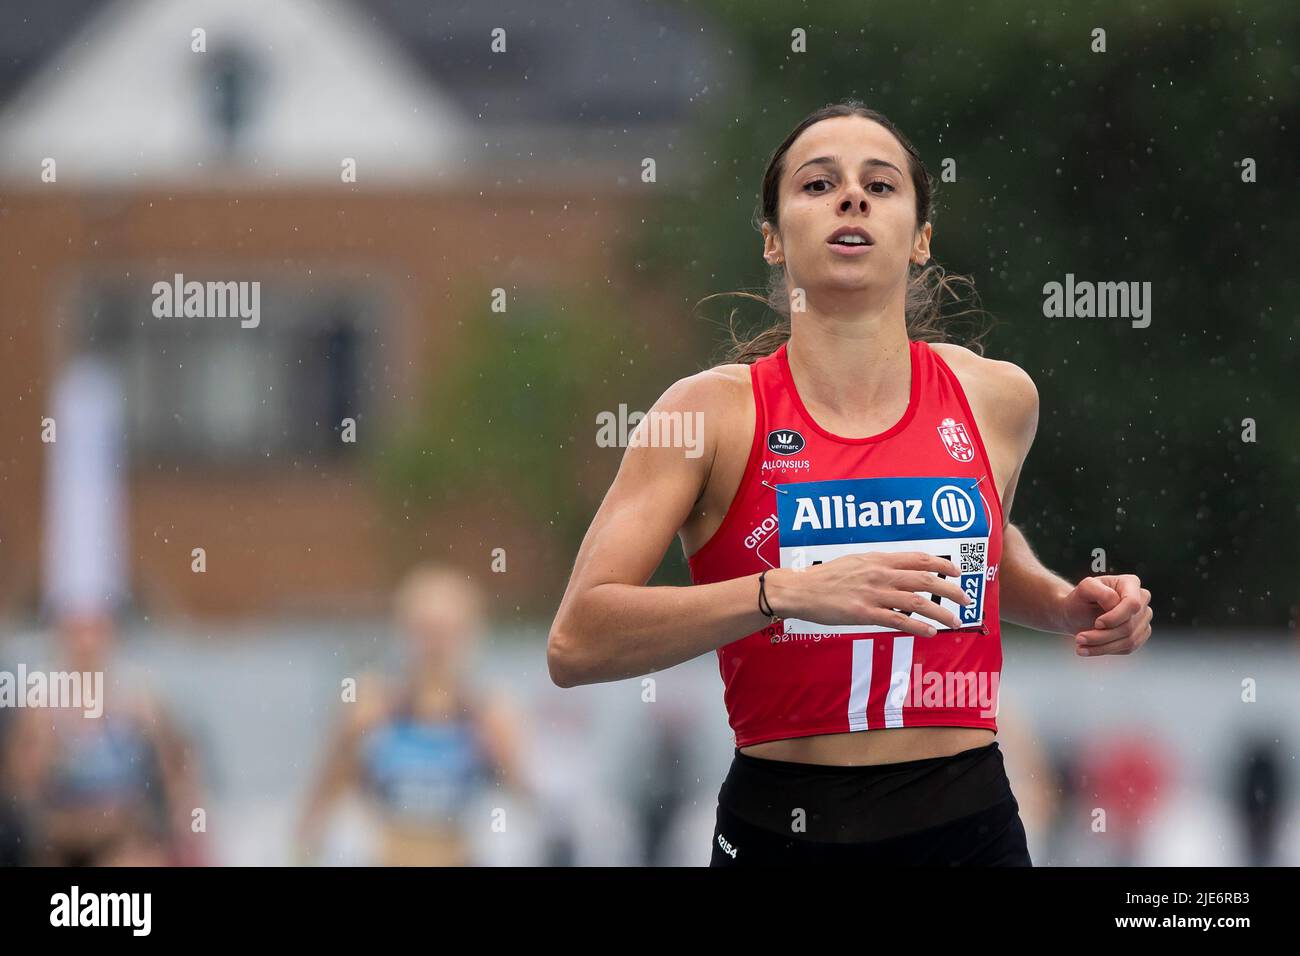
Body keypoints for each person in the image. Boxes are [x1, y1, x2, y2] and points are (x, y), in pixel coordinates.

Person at [547, 100, 1153, 866]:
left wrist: (1063, 604)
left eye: (881, 184)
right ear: (772, 239)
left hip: (966, 822)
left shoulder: (996, 399)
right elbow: (576, 643)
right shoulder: (707, 415)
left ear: (921, 237)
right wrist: (784, 593)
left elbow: (986, 545)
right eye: (818, 183)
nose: (852, 198)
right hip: (784, 823)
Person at [297, 564, 526, 866]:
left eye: (447, 632)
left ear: (471, 634)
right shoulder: (370, 704)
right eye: (426, 631)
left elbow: (529, 806)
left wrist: (504, 759)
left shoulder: (491, 711)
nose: (436, 646)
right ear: (403, 631)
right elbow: (321, 801)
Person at [3, 610, 206, 866]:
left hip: (125, 835)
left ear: (111, 635)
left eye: (94, 632)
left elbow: (180, 778)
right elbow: (19, 787)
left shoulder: (138, 699)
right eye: (77, 633)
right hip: (59, 838)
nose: (86, 644)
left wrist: (185, 823)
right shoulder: (41, 706)